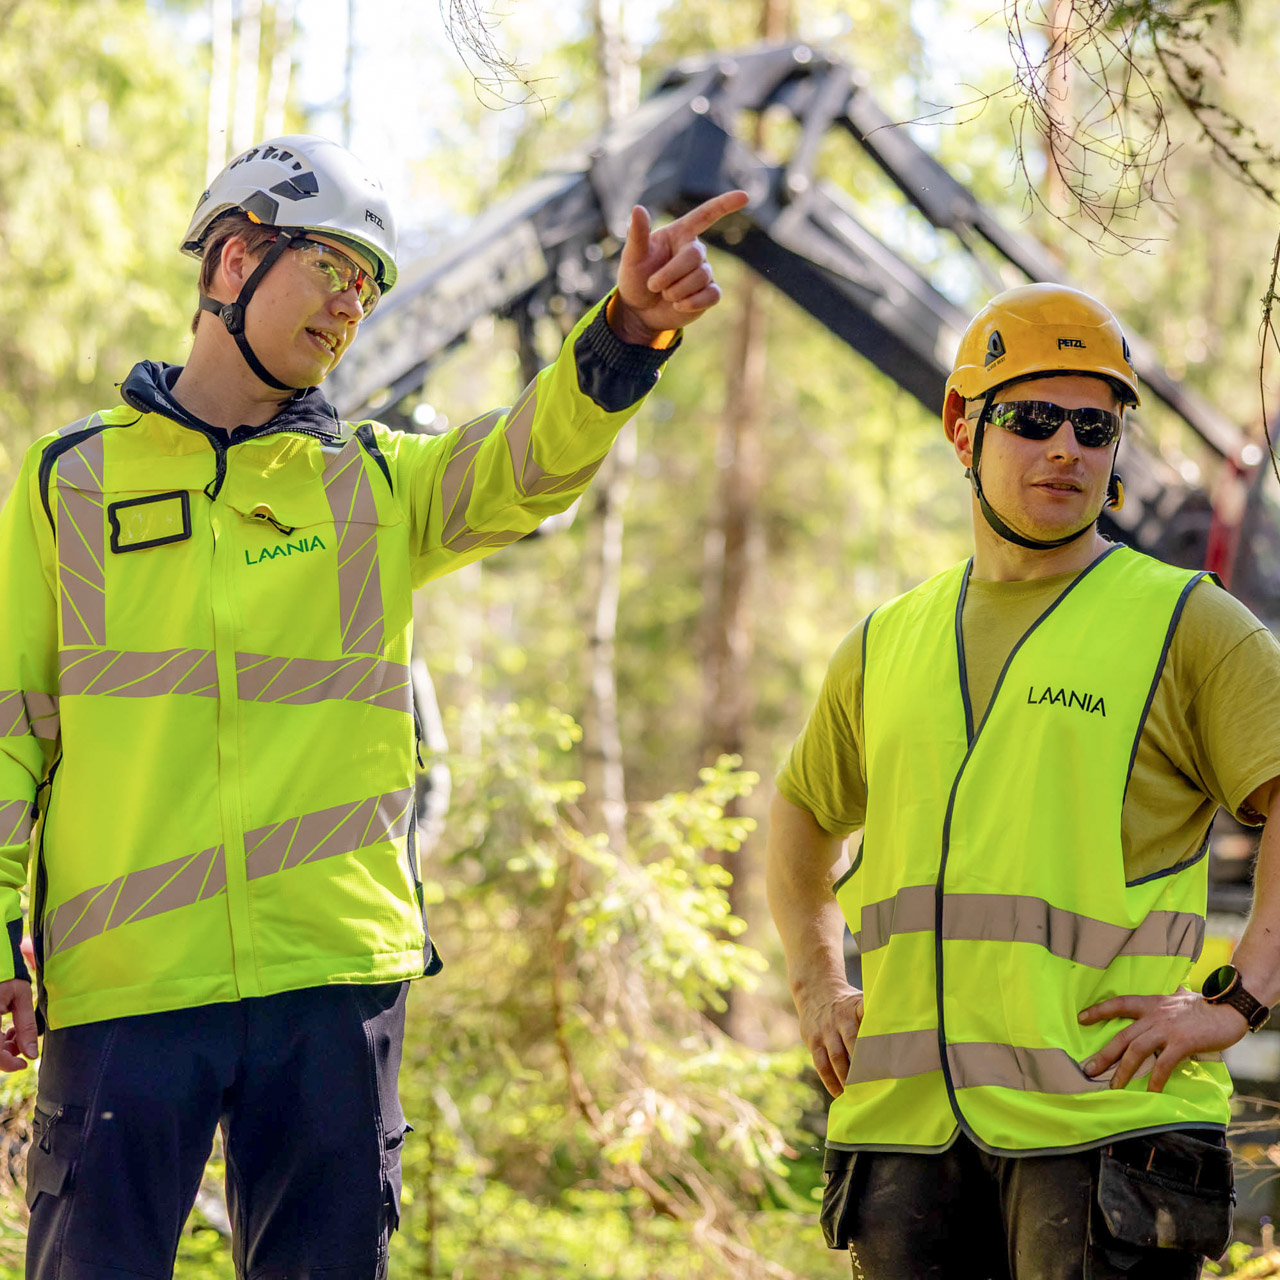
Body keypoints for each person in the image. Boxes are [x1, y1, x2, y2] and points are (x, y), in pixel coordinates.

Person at [0, 133, 747, 1279]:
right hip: (128, 986)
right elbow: (11, 727)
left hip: (333, 980)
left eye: (371, 286)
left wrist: (627, 333)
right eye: (334, 269)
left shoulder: (376, 482)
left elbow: (524, 463)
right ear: (237, 255)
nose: (353, 306)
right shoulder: (68, 482)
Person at [766, 282, 1280, 1279]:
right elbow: (799, 813)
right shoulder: (885, 642)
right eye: (1032, 418)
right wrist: (816, 983)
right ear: (962, 424)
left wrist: (1238, 999)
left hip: (1103, 1140)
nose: (1066, 448)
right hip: (906, 1137)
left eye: (1094, 426)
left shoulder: (1188, 622)